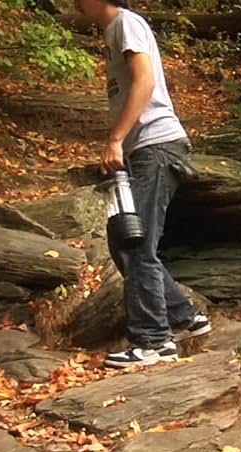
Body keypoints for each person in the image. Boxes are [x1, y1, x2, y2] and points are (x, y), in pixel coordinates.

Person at [75, 0, 211, 368]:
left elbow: (145, 81)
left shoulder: (125, 23)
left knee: (137, 246)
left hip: (155, 146)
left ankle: (154, 341)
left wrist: (116, 138)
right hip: (144, 150)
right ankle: (185, 316)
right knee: (124, 243)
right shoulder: (113, 31)